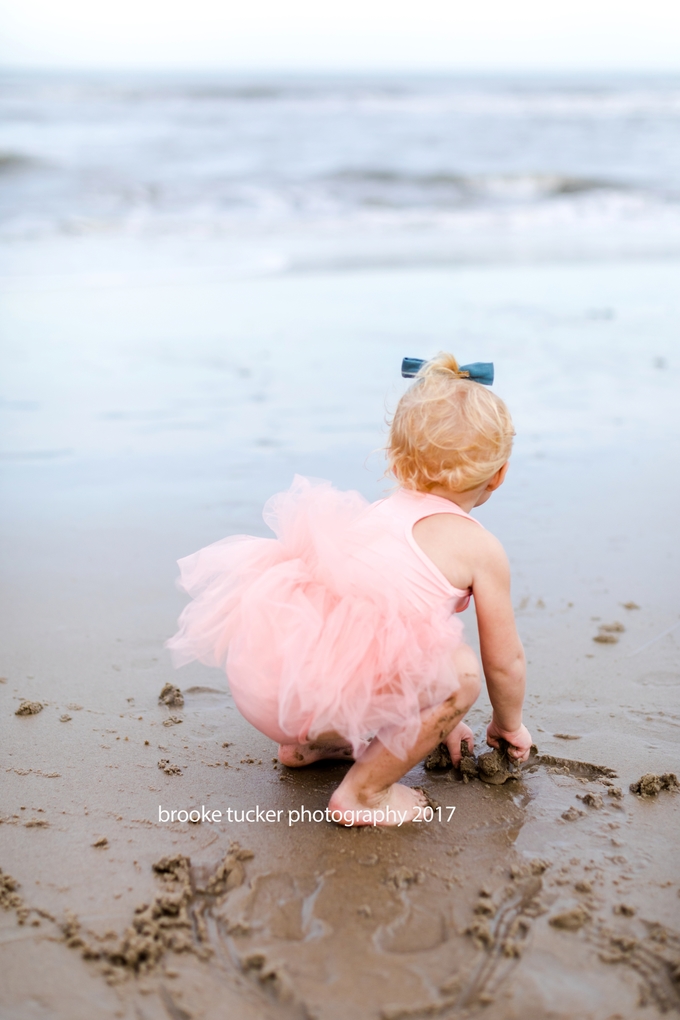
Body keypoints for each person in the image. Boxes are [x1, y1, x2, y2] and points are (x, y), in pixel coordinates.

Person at [167, 353, 532, 826]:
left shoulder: (375, 514)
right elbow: (505, 662)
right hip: (315, 702)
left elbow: (362, 637)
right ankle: (363, 795)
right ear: (499, 475)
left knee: (375, 638)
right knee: (460, 675)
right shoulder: (479, 548)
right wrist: (508, 726)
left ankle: (310, 747)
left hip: (270, 689)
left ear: (397, 457)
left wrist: (438, 723)